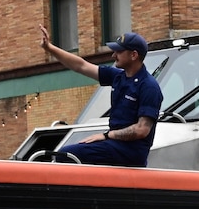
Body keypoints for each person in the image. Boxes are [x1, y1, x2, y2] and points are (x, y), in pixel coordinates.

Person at [37, 29, 162, 166]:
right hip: (114, 144)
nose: (114, 55)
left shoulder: (149, 86)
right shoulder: (118, 76)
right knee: (69, 152)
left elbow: (141, 130)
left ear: (133, 55)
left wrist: (107, 135)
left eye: (119, 52)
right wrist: (49, 47)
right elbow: (81, 66)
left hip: (130, 151)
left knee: (67, 155)